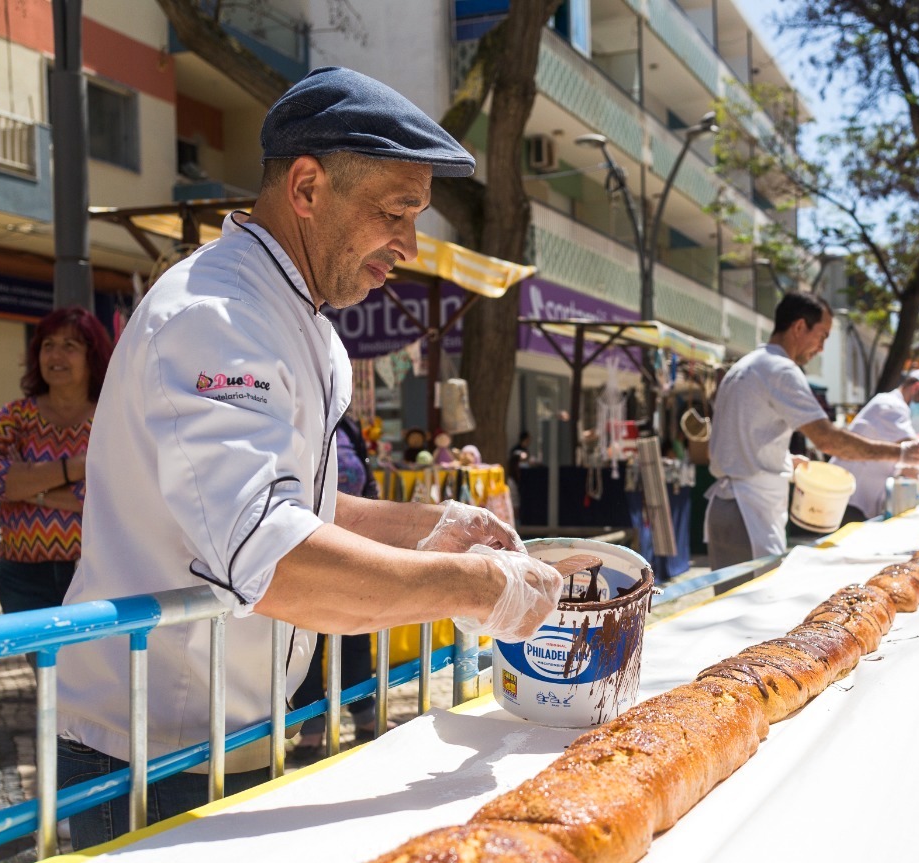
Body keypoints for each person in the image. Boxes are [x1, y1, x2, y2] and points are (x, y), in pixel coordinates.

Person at [55, 66, 562, 849]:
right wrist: (470, 587)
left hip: (236, 729)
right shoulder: (215, 317)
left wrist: (430, 526)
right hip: (144, 755)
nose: (409, 244)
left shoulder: (306, 324)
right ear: (305, 188)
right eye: (396, 212)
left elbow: (299, 503)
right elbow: (274, 559)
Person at [706, 292, 919, 570]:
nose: (821, 347)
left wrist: (783, 460)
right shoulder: (780, 369)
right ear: (799, 327)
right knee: (749, 605)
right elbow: (827, 439)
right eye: (823, 336)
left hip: (726, 507)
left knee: (733, 606)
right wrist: (901, 453)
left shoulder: (745, 365)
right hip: (747, 510)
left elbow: (743, 437)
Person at [0, 306, 113, 614]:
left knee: (91, 662)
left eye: (70, 346)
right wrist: (76, 468)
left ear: (92, 356)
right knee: (42, 664)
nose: (55, 356)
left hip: (96, 573)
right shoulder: (14, 416)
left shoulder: (111, 419)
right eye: (47, 345)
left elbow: (112, 496)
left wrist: (29, 489)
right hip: (23, 579)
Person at [290, 413, 382, 763]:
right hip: (308, 550)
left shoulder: (348, 424)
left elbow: (367, 479)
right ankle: (311, 727)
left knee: (356, 635)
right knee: (308, 644)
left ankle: (364, 715)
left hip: (353, 548)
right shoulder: (295, 417)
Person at [830, 370, 919, 521]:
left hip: (855, 498)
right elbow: (914, 452)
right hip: (849, 497)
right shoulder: (891, 406)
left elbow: (904, 463)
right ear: (916, 388)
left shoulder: (894, 406)